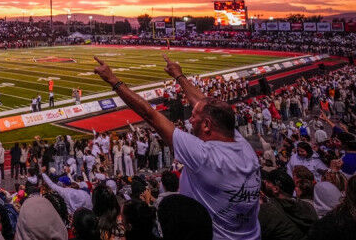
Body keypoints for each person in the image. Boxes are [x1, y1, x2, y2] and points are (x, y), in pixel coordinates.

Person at [94, 54, 261, 240]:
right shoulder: (240, 143)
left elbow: (151, 115)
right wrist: (179, 76)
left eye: (194, 117)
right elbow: (205, 104)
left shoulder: (206, 157)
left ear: (206, 125)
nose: (190, 119)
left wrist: (113, 81)